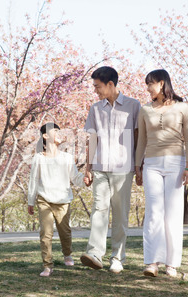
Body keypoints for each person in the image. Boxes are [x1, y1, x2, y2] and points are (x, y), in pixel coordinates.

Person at [80, 66, 141, 274]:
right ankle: (95, 253)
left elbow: (138, 138)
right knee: (99, 210)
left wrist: (138, 166)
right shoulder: (95, 108)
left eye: (98, 87)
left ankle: (117, 258)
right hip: (99, 167)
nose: (95, 90)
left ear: (111, 84)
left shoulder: (133, 106)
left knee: (120, 213)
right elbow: (92, 139)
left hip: (123, 169)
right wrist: (87, 168)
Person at [135, 69, 188, 277]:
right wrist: (137, 166)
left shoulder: (183, 107)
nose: (147, 88)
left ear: (161, 83)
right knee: (153, 212)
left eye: (150, 84)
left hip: (176, 163)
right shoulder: (145, 110)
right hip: (151, 163)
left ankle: (172, 263)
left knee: (173, 213)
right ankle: (152, 262)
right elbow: (141, 139)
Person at [28, 122, 85, 277]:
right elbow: (33, 180)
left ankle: (67, 253)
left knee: (64, 232)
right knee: (45, 233)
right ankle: (47, 265)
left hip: (62, 200)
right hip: (44, 199)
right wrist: (30, 201)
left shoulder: (66, 157)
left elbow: (75, 177)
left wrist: (86, 179)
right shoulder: (38, 158)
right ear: (45, 136)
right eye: (55, 131)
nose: (59, 133)